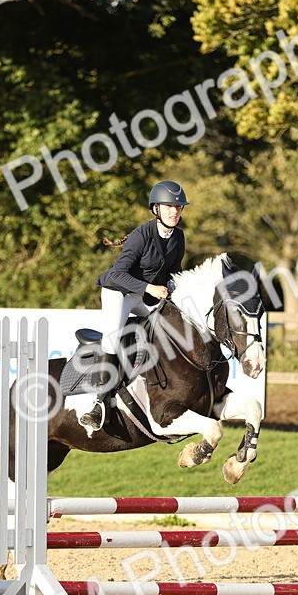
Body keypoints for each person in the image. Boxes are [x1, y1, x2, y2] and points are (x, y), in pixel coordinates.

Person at [79, 180, 189, 430]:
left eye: (178, 207)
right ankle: (98, 404)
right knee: (113, 337)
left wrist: (178, 287)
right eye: (169, 206)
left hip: (144, 297)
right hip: (119, 292)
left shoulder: (178, 237)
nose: (175, 211)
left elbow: (175, 272)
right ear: (156, 209)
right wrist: (150, 287)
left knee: (166, 331)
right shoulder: (141, 236)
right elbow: (118, 273)